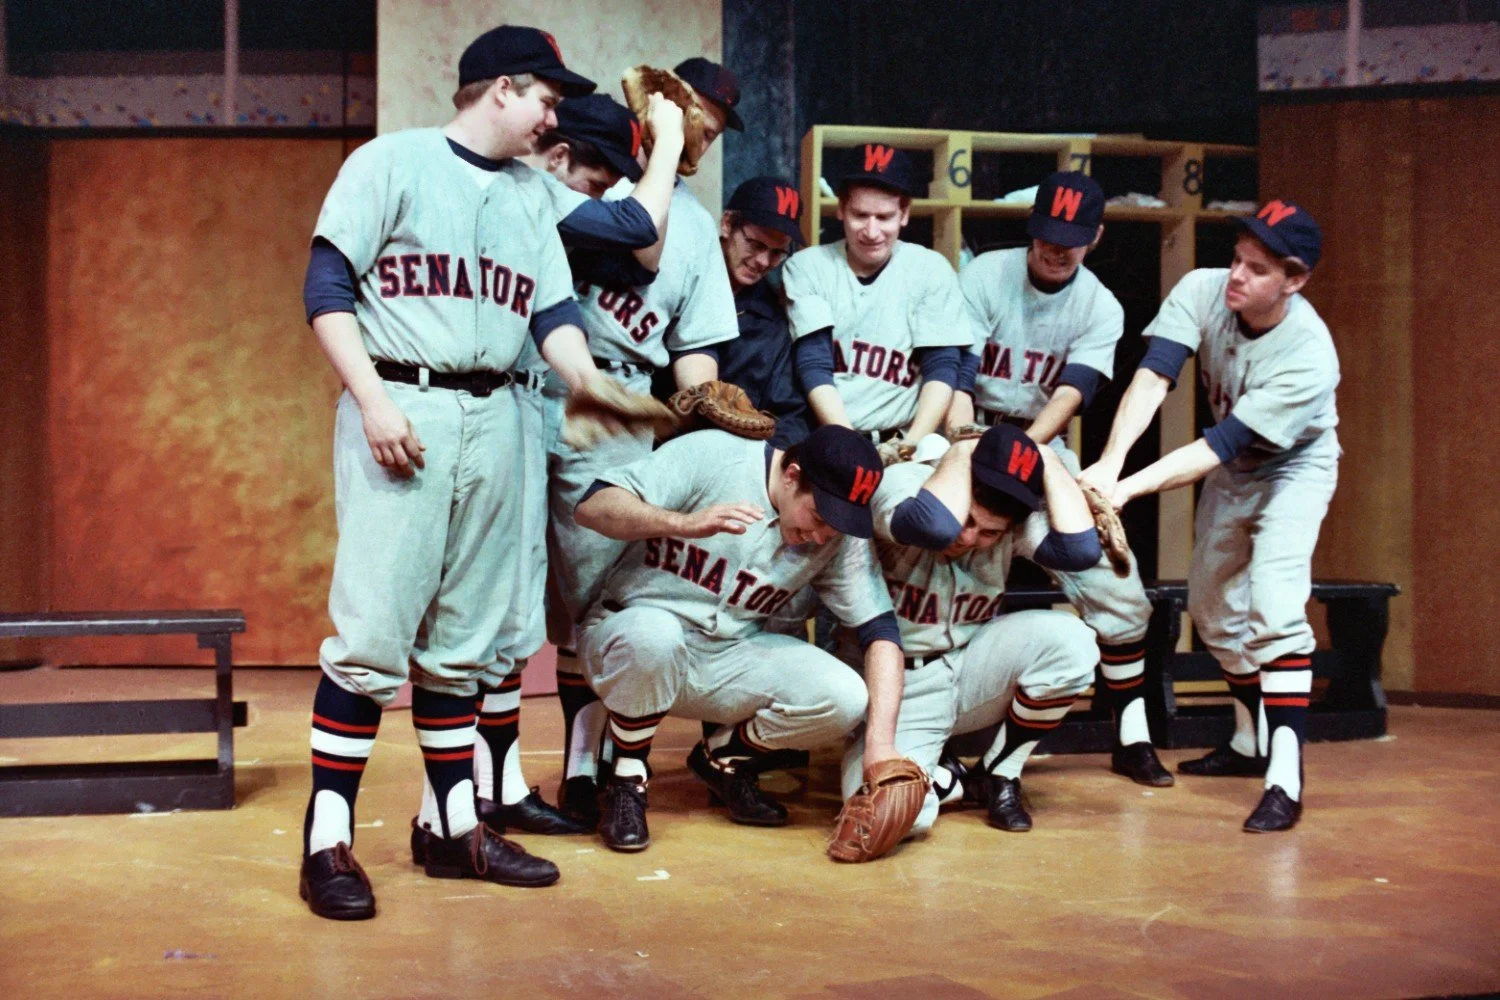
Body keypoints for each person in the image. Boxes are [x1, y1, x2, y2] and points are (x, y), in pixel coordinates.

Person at [296, 24, 627, 920]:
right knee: (371, 640)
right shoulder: (389, 163)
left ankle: (450, 826)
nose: (554, 116)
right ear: (502, 88)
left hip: (499, 419)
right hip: (405, 406)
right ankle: (327, 836)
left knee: (465, 644)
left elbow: (553, 311)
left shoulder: (531, 198)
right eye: (547, 98)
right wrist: (370, 400)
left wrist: (591, 387)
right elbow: (325, 289)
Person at [468, 91, 687, 837]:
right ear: (558, 157)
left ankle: (501, 782)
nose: (605, 192)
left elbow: (639, 249)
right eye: (597, 178)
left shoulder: (549, 206)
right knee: (493, 608)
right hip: (501, 403)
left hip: (533, 403)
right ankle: (476, 788)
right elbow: (639, 224)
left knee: (532, 607)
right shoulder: (527, 188)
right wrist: (668, 142)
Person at [1081, 200, 1338, 833]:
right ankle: (1250, 742)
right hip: (1236, 467)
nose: (1236, 276)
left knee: (1275, 604)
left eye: (1257, 268)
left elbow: (1216, 446)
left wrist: (1129, 488)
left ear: (1295, 279)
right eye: (1236, 259)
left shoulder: (1308, 353)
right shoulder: (1204, 290)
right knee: (1213, 605)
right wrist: (1111, 462)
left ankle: (1286, 773)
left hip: (1294, 468)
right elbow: (1153, 377)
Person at [546, 60, 747, 825]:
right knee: (505, 596)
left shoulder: (695, 223)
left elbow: (694, 345)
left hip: (620, 403)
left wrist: (700, 399)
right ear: (666, 108)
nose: (704, 137)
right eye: (698, 118)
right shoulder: (585, 171)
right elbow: (637, 238)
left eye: (718, 131)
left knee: (592, 597)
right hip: (530, 383)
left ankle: (584, 770)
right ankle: (485, 785)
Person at [571, 426, 905, 851]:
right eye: (819, 517)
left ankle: (721, 758)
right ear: (791, 475)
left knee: (845, 697)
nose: (823, 535)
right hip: (628, 635)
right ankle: (627, 779)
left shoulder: (834, 538)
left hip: (723, 654)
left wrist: (880, 748)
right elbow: (591, 506)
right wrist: (682, 523)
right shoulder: (715, 455)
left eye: (837, 526)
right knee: (655, 636)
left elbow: (881, 630)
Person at [948, 171, 1169, 786]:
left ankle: (1133, 733)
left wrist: (1022, 453)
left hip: (1042, 446)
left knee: (1116, 582)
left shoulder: (1101, 304)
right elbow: (958, 371)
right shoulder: (986, 274)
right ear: (1032, 226)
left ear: (1095, 236)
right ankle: (943, 718)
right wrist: (972, 449)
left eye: (1070, 237)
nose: (1056, 247)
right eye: (1047, 233)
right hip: (968, 433)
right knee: (949, 553)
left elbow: (1074, 391)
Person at [844, 425, 1103, 832]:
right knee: (899, 817)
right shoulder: (906, 481)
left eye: (989, 533)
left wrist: (1048, 461)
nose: (970, 538)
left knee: (1073, 643)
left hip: (969, 668)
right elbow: (932, 527)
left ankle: (1001, 771)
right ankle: (949, 781)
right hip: (896, 690)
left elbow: (1081, 551)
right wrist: (964, 452)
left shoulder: (1006, 518)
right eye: (968, 521)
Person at [782, 145, 970, 450]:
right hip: (829, 438)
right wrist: (851, 447)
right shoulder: (808, 267)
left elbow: (943, 367)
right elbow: (813, 365)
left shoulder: (930, 269)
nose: (872, 231)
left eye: (884, 217)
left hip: (903, 438)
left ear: (904, 214)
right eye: (860, 215)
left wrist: (912, 444)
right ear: (840, 208)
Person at [652, 175, 810, 448]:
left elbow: (789, 417)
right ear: (727, 224)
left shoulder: (774, 321)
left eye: (777, 253)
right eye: (756, 244)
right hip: (651, 441)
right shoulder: (675, 275)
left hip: (733, 461)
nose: (763, 261)